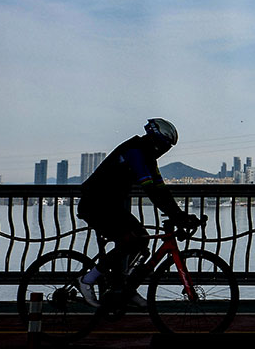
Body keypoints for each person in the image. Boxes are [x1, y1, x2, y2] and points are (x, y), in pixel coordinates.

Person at [76, 118, 201, 307]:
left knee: (142, 239)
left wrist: (180, 214)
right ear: (155, 139)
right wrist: (177, 216)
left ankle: (124, 287)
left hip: (110, 205)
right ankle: (87, 281)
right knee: (130, 240)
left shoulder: (148, 157)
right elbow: (151, 191)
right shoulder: (135, 151)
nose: (165, 149)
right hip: (95, 204)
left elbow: (161, 190)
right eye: (165, 145)